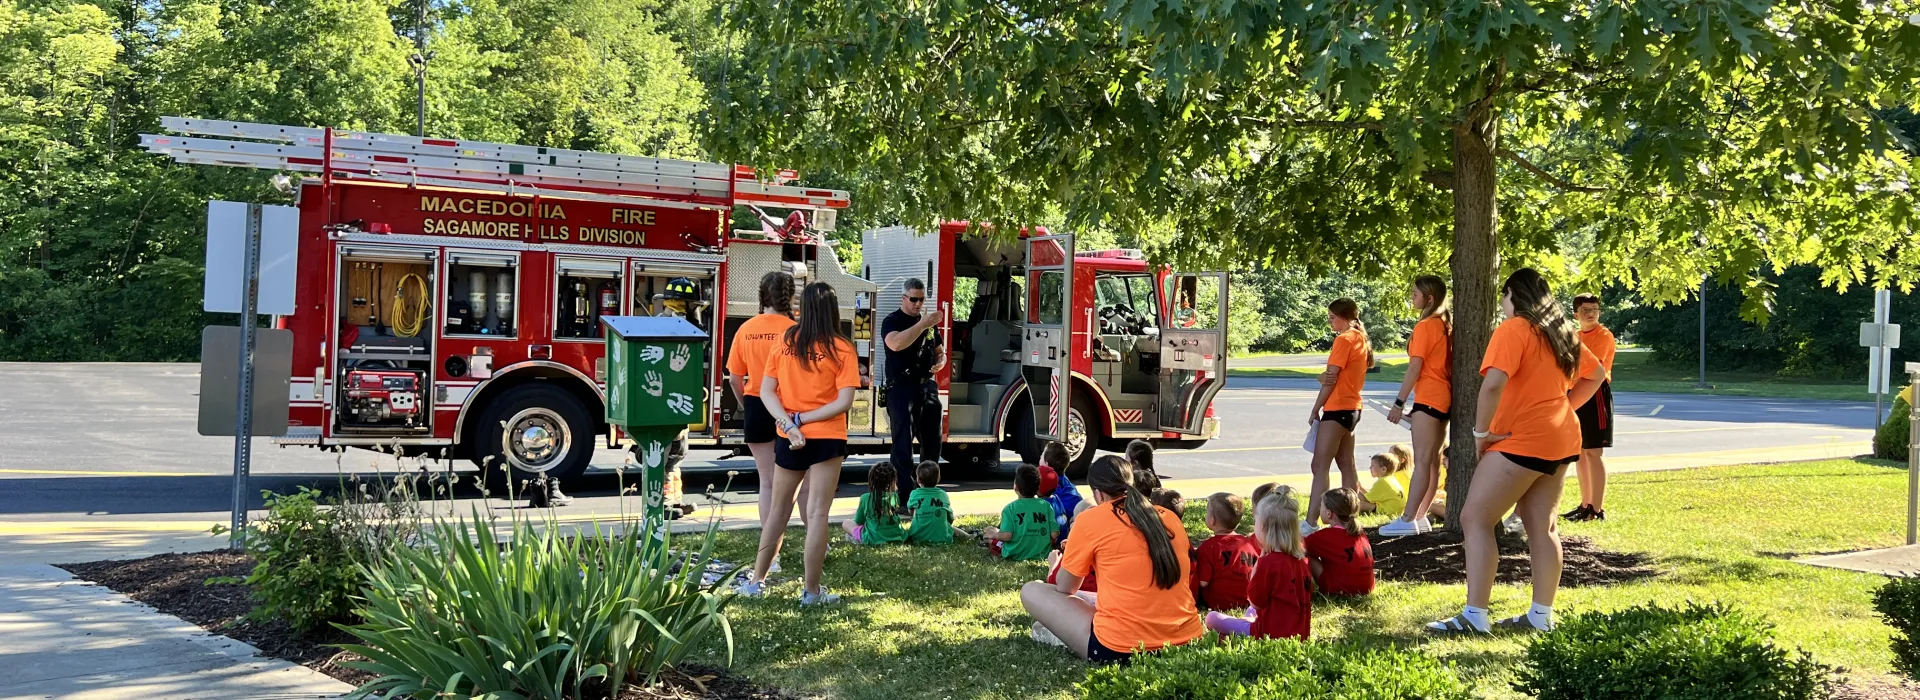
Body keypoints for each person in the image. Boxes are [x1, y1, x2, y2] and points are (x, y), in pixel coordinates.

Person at [1428, 269, 1603, 635]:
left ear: (1512, 294)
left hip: (1520, 439)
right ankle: (1541, 616)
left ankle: (1475, 616)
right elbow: (1597, 374)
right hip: (1561, 438)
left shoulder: (1514, 329)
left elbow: (1492, 386)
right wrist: (1567, 407)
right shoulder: (1563, 331)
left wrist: (1480, 434)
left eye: (1503, 297)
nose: (1502, 305)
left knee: (1474, 518)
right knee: (1543, 526)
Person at [742, 282, 863, 606]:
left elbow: (765, 391)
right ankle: (811, 592)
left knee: (778, 510)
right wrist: (804, 421)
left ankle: (756, 582)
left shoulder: (785, 342)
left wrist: (788, 423)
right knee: (818, 513)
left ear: (802, 308)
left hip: (789, 437)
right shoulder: (842, 348)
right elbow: (845, 401)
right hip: (828, 436)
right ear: (834, 310)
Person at [1021, 455, 1203, 663]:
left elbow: (1065, 588)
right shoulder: (1169, 517)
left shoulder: (1089, 520)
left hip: (1121, 649)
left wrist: (1055, 565)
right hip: (1188, 640)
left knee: (1032, 590)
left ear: (1098, 495)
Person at [727, 271, 807, 569]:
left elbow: (735, 378)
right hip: (790, 409)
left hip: (757, 405)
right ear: (790, 297)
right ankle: (815, 541)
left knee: (768, 484)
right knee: (801, 482)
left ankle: (769, 556)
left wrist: (746, 405)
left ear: (762, 296)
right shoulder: (796, 331)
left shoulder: (746, 329)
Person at [1381, 275, 1451, 536]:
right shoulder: (1445, 324)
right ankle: (1420, 516)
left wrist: (1399, 403)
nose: (1412, 298)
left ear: (1429, 299)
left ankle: (1409, 518)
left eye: (1415, 294)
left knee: (1422, 461)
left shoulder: (1426, 326)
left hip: (1429, 398)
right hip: (1443, 398)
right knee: (1431, 462)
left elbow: (1415, 367)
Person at [1205, 489, 1312, 640]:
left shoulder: (1267, 563)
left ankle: (1239, 631)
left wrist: (1259, 564)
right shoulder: (1301, 561)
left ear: (1264, 527)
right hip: (1299, 633)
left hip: (1268, 633)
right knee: (1250, 612)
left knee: (1212, 618)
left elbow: (1256, 602)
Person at [1308, 298, 1370, 532]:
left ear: (1345, 317)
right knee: (1346, 464)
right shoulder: (1360, 338)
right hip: (1353, 407)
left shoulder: (1344, 339)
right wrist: (1322, 377)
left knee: (1319, 466)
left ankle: (1311, 521)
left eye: (1333, 317)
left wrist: (1316, 408)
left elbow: (1330, 378)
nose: (1329, 321)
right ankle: (1349, 519)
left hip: (1337, 408)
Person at [881, 278, 947, 496]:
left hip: (926, 388)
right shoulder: (893, 321)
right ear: (904, 298)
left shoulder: (928, 325)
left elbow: (939, 350)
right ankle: (904, 497)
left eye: (921, 299)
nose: (918, 304)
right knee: (903, 445)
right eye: (913, 299)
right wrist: (922, 324)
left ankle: (928, 493)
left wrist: (941, 361)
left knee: (932, 443)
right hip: (901, 388)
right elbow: (896, 343)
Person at [1565, 293, 1617, 523]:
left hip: (1595, 393)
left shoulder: (1604, 335)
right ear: (1576, 314)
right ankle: (1585, 504)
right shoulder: (1575, 336)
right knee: (1581, 454)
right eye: (1585, 310)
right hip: (1576, 392)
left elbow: (1590, 366)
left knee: (1594, 452)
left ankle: (1597, 507)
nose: (1590, 314)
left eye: (1594, 309)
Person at [1190, 493, 1258, 611]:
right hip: (1248, 601)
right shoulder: (1249, 544)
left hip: (1220, 603)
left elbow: (1203, 583)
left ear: (1212, 520)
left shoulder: (1208, 548)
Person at [1306, 488, 1375, 596]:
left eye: (1322, 506)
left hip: (1339, 590)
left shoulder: (1326, 535)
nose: (1319, 508)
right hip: (1367, 588)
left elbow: (1297, 545)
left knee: (1306, 553)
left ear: (1329, 513)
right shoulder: (1359, 533)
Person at [986, 464, 1060, 560]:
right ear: (1038, 487)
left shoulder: (1009, 509)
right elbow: (1055, 534)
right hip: (1042, 554)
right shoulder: (1046, 506)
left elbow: (1007, 536)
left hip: (1014, 554)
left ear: (1016, 487)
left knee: (990, 538)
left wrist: (994, 534)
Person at [844, 462, 908, 545]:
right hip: (898, 536)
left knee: (846, 523)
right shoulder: (894, 497)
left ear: (871, 480)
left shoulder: (866, 498)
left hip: (873, 539)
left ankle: (856, 538)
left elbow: (859, 521)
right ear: (893, 481)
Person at [905, 460, 967, 544]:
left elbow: (910, 510)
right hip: (942, 538)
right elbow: (950, 518)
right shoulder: (942, 494)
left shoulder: (915, 494)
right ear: (939, 478)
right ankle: (968, 537)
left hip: (917, 538)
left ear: (918, 480)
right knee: (948, 526)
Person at [1039, 443, 1085, 541]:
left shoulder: (1046, 486)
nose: (1040, 456)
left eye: (1042, 455)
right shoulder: (1067, 483)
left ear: (1046, 465)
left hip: (1059, 533)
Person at [1360, 451, 1409, 517]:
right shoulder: (1390, 479)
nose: (1370, 468)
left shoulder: (1382, 482)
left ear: (1383, 469)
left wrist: (1353, 488)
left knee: (1360, 504)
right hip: (1396, 510)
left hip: (1390, 512)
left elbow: (1366, 499)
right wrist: (1360, 488)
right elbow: (1371, 497)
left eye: (1372, 466)